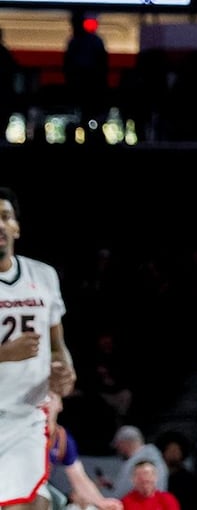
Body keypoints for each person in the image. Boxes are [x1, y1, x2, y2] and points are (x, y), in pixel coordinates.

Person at [0, 186, 78, 510]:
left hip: (28, 414)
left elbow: (58, 347)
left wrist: (65, 372)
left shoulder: (43, 276)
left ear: (16, 226)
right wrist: (6, 353)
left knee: (29, 503)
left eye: (5, 217)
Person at [47, 391, 124, 510]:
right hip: (15, 487)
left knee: (57, 500)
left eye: (51, 398)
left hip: (36, 490)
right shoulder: (23, 432)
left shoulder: (62, 438)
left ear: (59, 405)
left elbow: (79, 478)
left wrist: (101, 502)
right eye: (42, 397)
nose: (45, 401)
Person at [109, 427, 168, 500]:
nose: (118, 449)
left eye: (118, 444)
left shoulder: (139, 461)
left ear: (125, 443)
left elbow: (123, 491)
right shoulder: (154, 456)